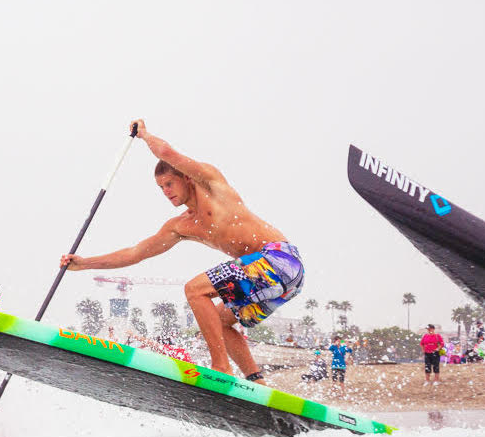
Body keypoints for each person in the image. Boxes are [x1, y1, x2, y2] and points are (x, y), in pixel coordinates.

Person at [62, 119, 304, 385]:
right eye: (161, 188)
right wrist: (85, 263)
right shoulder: (182, 226)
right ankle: (256, 383)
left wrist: (144, 135)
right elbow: (135, 253)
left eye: (169, 183)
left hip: (280, 260)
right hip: (282, 280)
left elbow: (167, 154)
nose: (166, 192)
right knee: (221, 322)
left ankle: (221, 368)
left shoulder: (212, 186)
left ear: (186, 177)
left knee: (195, 290)